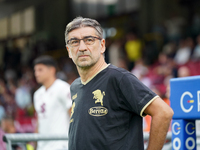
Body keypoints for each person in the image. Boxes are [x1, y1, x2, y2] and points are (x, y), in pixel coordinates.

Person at [65, 17, 174, 150]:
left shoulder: (119, 78)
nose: (82, 48)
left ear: (102, 46)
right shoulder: (75, 86)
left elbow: (163, 112)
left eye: (89, 40)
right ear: (69, 50)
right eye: (74, 42)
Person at [33, 55, 71, 150]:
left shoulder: (63, 88)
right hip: (42, 146)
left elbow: (73, 116)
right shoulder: (37, 94)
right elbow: (39, 121)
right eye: (35, 70)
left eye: (40, 70)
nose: (36, 73)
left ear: (52, 70)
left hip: (61, 145)